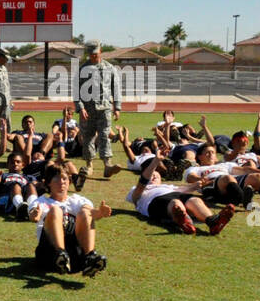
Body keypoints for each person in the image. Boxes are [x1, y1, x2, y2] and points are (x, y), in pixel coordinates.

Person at [27, 162, 110, 276]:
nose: (61, 182)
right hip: (48, 252)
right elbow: (33, 215)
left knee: (85, 212)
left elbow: (91, 214)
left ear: (69, 181)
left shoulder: (78, 200)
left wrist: (100, 213)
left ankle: (89, 257)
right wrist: (35, 215)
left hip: (74, 252)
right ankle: (60, 254)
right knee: (56, 210)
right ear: (48, 183)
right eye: (56, 179)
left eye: (64, 178)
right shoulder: (41, 201)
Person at [125, 154, 236, 235]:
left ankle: (213, 222)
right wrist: (156, 161)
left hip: (174, 194)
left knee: (194, 200)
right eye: (151, 176)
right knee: (175, 203)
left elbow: (183, 189)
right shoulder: (139, 191)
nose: (153, 176)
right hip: (154, 201)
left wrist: (196, 185)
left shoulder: (168, 186)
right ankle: (184, 221)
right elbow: (141, 184)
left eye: (156, 175)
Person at [74, 41, 120, 183]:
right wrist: (80, 108)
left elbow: (116, 88)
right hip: (88, 110)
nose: (94, 57)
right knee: (88, 137)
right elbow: (76, 92)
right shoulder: (82, 70)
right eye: (91, 55)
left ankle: (107, 165)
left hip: (104, 108)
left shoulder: (110, 68)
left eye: (96, 54)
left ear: (100, 52)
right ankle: (89, 165)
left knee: (105, 135)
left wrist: (117, 107)